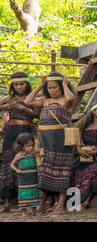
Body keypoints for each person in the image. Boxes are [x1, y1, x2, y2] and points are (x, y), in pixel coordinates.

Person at [24, 72, 75, 215]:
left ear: (61, 87)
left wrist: (65, 84)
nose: (52, 90)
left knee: (62, 171)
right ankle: (42, 204)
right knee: (44, 171)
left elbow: (71, 97)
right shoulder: (44, 100)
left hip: (61, 141)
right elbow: (28, 102)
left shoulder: (66, 99)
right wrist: (39, 87)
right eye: (50, 88)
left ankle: (60, 205)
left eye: (55, 87)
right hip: (44, 140)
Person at [0, 72, 39, 212]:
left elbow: (38, 114)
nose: (19, 87)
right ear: (13, 85)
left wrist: (24, 109)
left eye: (21, 84)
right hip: (12, 131)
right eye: (16, 84)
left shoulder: (32, 98)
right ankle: (6, 203)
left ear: (26, 84)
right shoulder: (9, 98)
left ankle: (24, 200)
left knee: (25, 163)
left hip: (27, 130)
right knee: (7, 163)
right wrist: (5, 108)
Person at [70, 102, 97, 211]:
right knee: (73, 168)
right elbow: (77, 139)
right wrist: (79, 150)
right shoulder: (84, 125)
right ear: (93, 111)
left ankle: (86, 202)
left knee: (94, 170)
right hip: (83, 154)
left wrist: (95, 152)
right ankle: (72, 200)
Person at [9, 133, 40, 216]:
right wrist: (16, 169)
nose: (31, 148)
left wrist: (42, 152)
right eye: (28, 146)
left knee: (34, 192)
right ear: (21, 146)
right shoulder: (18, 155)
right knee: (23, 193)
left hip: (33, 178)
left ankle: (33, 210)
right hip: (23, 180)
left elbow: (41, 150)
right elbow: (11, 164)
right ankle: (23, 211)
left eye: (32, 145)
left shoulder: (33, 152)